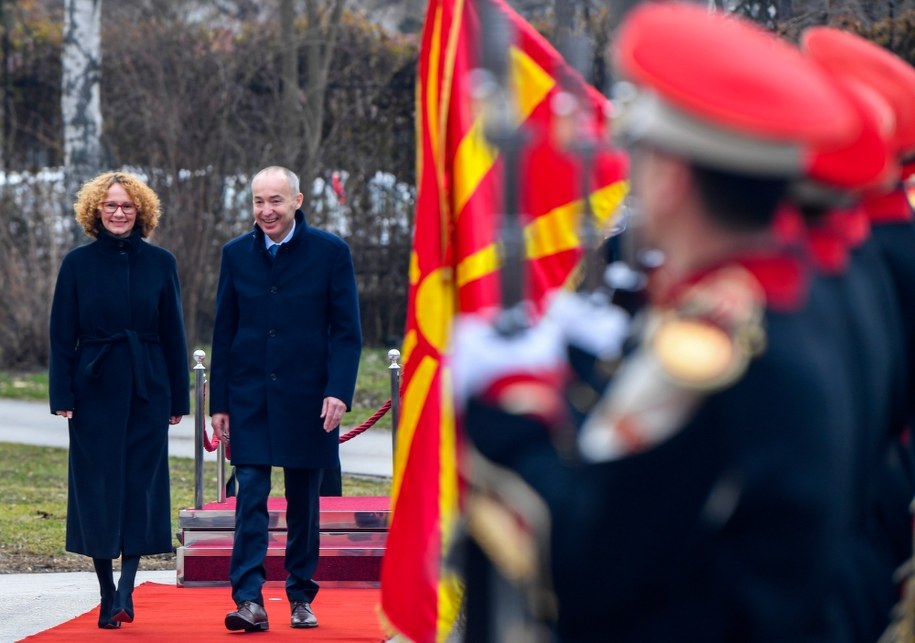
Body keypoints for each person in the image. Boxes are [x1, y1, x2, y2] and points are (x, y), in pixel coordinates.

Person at [453, 5, 864, 641]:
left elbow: (588, 558)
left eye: (638, 155)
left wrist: (511, 411)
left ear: (670, 178)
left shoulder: (704, 346)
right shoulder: (793, 300)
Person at [209, 166, 362, 632]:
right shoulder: (235, 254)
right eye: (258, 201)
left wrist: (338, 390)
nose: (266, 211)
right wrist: (220, 403)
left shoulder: (331, 252)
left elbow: (347, 333)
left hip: (309, 398)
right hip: (250, 396)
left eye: (275, 201)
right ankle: (249, 600)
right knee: (250, 494)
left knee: (304, 501)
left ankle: (300, 596)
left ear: (297, 201)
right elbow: (225, 330)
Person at [48, 170, 190, 629]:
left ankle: (127, 587)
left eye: (127, 205)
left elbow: (173, 333)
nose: (118, 212)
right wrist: (62, 393)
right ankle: (107, 591)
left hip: (149, 387)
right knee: (98, 489)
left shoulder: (161, 262)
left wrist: (178, 399)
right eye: (110, 205)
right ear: (96, 210)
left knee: (142, 486)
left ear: (141, 211)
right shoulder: (76, 264)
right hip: (93, 390)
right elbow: (60, 334)